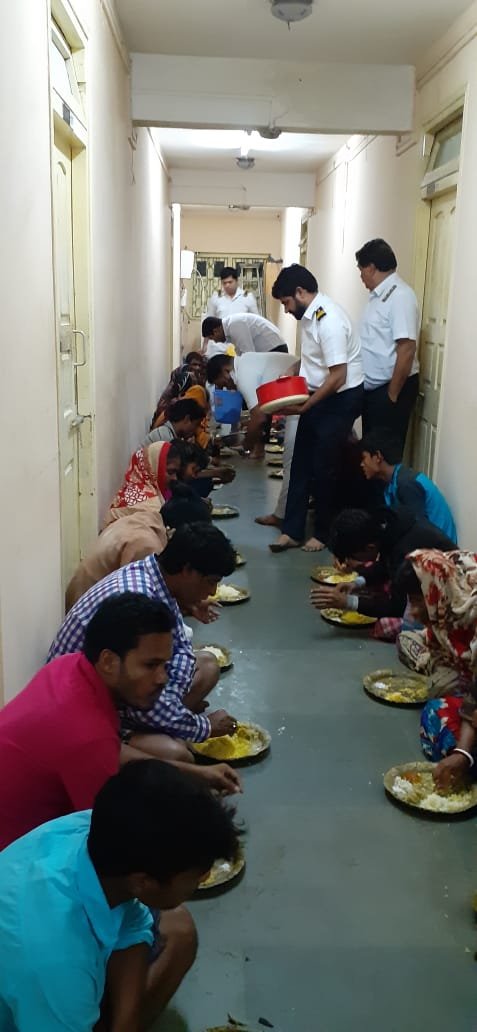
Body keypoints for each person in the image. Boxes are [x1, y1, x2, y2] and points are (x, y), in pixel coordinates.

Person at [0, 758, 240, 1029]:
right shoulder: (58, 960)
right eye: (197, 874)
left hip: (45, 966)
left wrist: (125, 1024)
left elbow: (131, 921)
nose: (205, 878)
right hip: (40, 995)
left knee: (179, 930)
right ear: (144, 882)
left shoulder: (97, 831)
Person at [48, 523, 238, 745]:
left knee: (208, 665)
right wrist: (204, 727)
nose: (212, 592)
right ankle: (152, 732)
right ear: (187, 570)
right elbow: (136, 697)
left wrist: (170, 701)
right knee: (177, 753)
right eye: (211, 582)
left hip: (126, 692)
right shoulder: (140, 596)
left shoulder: (155, 577)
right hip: (86, 711)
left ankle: (168, 722)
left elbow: (180, 651)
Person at [268, 264, 364, 553]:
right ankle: (292, 531)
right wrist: (290, 375)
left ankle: (323, 533)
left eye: (286, 302)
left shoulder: (328, 320)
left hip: (340, 399)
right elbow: (314, 361)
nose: (285, 310)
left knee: (325, 467)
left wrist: (306, 406)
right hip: (320, 394)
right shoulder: (309, 316)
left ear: (300, 292)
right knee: (300, 462)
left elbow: (338, 376)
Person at [394, 550, 477, 793]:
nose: (414, 612)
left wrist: (463, 753)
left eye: (418, 600)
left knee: (437, 714)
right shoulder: (450, 581)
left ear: (435, 591)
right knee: (407, 639)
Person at [65, 479, 212, 612]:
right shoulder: (147, 545)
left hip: (85, 603)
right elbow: (140, 605)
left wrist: (188, 605)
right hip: (90, 616)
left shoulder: (146, 518)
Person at [310, 507, 456, 619]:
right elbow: (387, 564)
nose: (353, 562)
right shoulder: (389, 524)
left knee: (389, 627)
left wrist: (348, 602)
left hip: (452, 599)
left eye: (353, 557)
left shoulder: (406, 554)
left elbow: (398, 607)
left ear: (370, 548)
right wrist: (357, 583)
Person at [206, 352, 298, 513]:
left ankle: (283, 515)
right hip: (299, 389)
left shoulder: (242, 375)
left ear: (226, 371)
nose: (228, 388)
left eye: (224, 384)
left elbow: (259, 416)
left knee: (291, 459)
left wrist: (246, 445)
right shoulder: (246, 361)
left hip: (300, 390)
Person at [356, 238, 420, 452]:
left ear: (371, 268)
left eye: (361, 270)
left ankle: (385, 488)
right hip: (375, 391)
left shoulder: (400, 296)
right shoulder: (378, 296)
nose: (361, 276)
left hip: (392, 388)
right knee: (371, 453)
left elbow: (407, 348)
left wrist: (391, 395)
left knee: (384, 456)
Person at [360, 429, 457, 542]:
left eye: (364, 458)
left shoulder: (407, 484)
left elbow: (418, 532)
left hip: (440, 551)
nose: (362, 464)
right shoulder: (392, 482)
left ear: (377, 456)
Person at [104, 440, 180, 528]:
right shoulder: (151, 507)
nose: (175, 478)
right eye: (170, 472)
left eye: (176, 473)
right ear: (154, 468)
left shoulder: (130, 489)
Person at [202, 313, 288, 356]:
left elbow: (248, 355)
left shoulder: (234, 325)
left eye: (212, 338)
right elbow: (241, 355)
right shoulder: (230, 329)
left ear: (216, 330)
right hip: (271, 350)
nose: (216, 342)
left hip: (275, 349)